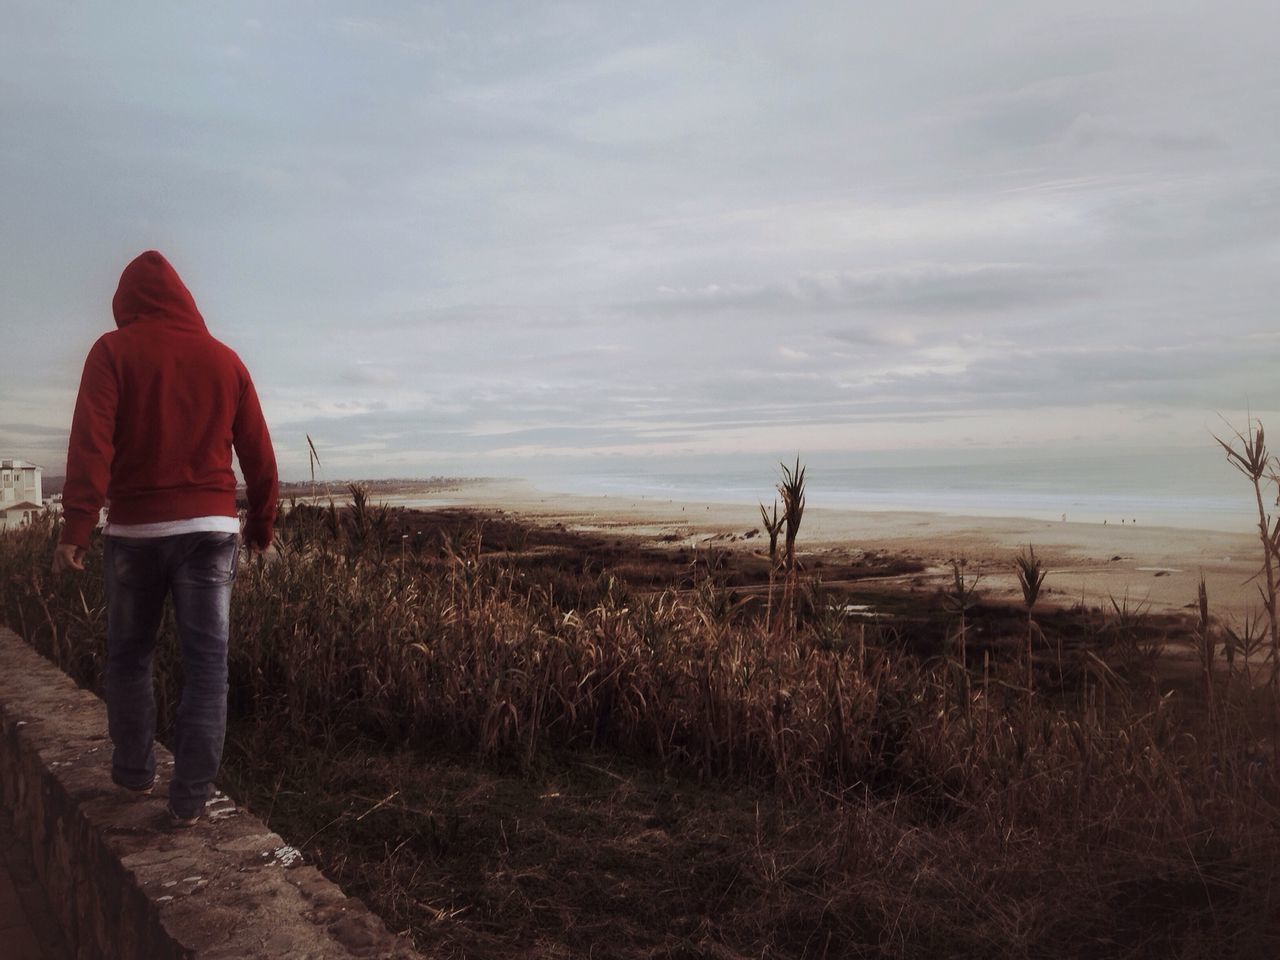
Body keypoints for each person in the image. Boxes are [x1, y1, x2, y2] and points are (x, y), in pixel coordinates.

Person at [52, 250, 278, 827]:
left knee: (129, 657)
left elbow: (91, 441)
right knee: (208, 667)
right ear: (185, 298)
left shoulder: (112, 351)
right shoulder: (225, 360)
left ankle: (134, 773)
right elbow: (259, 453)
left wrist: (76, 526)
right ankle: (189, 801)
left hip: (134, 532)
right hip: (210, 531)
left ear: (125, 302)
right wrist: (261, 526)